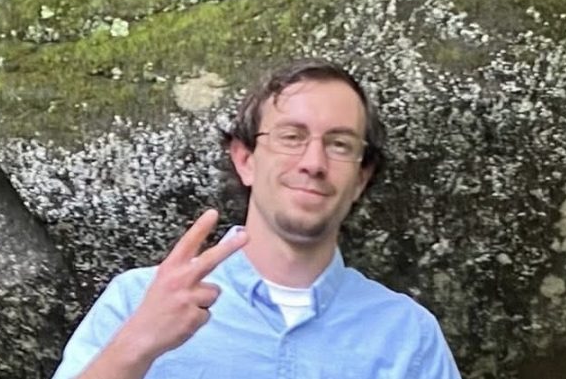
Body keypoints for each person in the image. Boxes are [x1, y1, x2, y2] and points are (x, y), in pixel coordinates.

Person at [51, 58, 462, 379]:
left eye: (339, 144)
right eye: (291, 137)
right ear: (245, 159)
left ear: (361, 178)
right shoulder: (137, 300)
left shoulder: (408, 336)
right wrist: (136, 344)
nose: (313, 162)